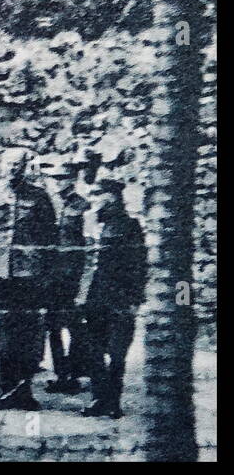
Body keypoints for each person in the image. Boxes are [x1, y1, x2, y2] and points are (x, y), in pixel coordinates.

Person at [0, 147, 57, 411]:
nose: (12, 168)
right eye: (8, 164)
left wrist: (46, 274)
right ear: (1, 165)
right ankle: (6, 388)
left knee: (29, 334)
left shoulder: (39, 196)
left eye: (17, 164)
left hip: (29, 274)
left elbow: (49, 239)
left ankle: (25, 390)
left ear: (25, 167)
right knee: (3, 333)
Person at [76, 177, 146, 419]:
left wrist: (135, 298)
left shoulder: (129, 226)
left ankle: (114, 401)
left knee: (117, 353)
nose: (93, 199)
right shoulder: (88, 223)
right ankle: (99, 398)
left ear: (113, 197)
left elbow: (139, 266)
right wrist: (79, 294)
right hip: (91, 296)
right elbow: (82, 261)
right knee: (93, 351)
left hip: (119, 298)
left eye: (98, 194)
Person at [42, 154, 91, 394]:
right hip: (51, 275)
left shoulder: (83, 205)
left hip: (73, 274)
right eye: (54, 178)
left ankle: (73, 373)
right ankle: (61, 373)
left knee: (75, 326)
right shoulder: (47, 203)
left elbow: (89, 244)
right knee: (52, 326)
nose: (58, 182)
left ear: (73, 179)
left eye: (63, 178)